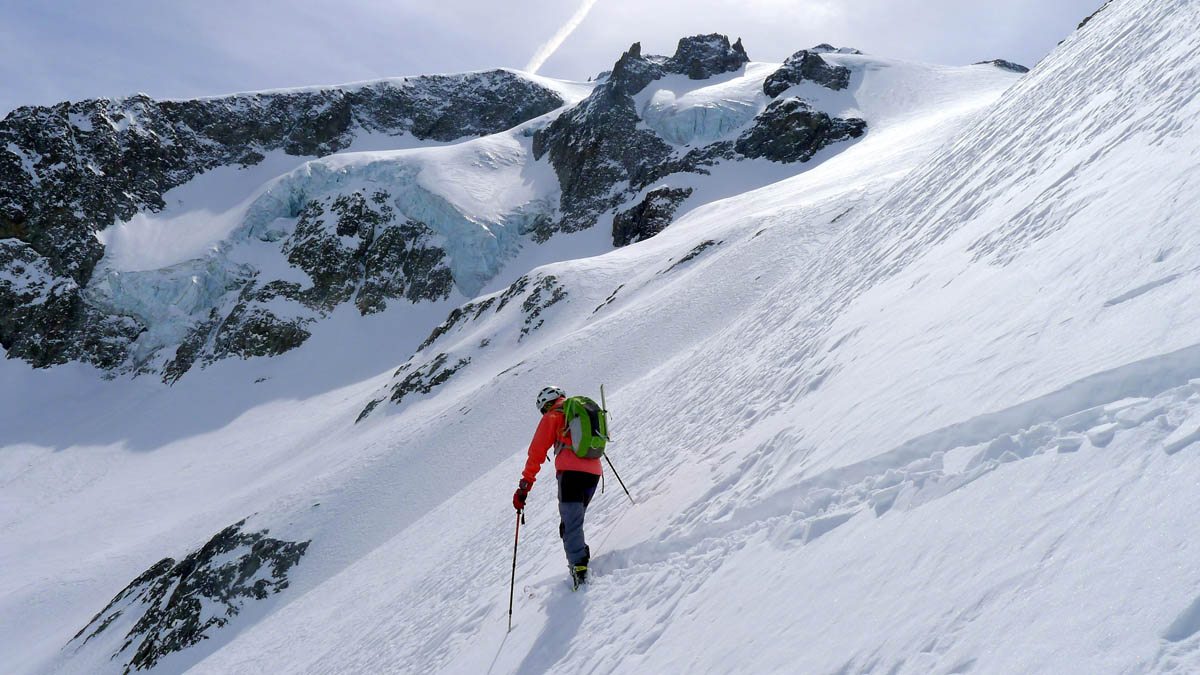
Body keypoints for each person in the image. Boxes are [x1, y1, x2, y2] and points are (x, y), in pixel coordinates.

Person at [513, 385, 603, 587]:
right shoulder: (579, 412)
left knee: (570, 525)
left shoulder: (552, 416)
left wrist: (524, 487)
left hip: (571, 475)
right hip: (594, 473)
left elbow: (536, 452)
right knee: (572, 522)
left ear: (546, 405)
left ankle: (579, 570)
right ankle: (580, 559)